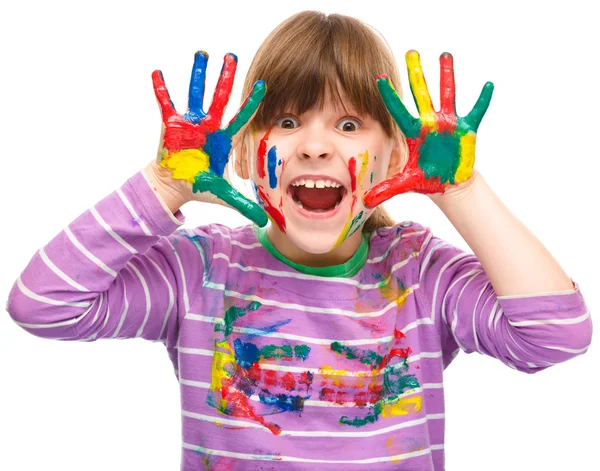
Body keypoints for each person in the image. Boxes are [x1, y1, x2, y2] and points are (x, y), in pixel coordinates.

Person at [6, 10, 592, 471]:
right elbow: (43, 306)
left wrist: (459, 189)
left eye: (347, 125)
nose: (314, 146)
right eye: (286, 122)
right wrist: (162, 186)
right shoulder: (201, 270)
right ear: (241, 149)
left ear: (394, 154)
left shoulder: (419, 273)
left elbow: (556, 337)